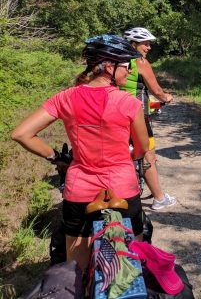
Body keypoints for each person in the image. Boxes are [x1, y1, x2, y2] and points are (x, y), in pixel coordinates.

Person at [11, 35, 149, 270]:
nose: (129, 71)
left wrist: (54, 156)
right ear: (108, 66)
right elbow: (142, 148)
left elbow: (21, 134)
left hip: (80, 190)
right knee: (134, 264)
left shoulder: (66, 97)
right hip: (123, 187)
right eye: (126, 65)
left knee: (76, 271)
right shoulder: (129, 102)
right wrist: (127, 157)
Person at [122, 27, 176, 210]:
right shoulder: (140, 62)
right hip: (137, 114)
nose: (149, 47)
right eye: (145, 44)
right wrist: (166, 97)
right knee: (148, 153)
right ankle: (160, 198)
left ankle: (148, 187)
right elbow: (156, 90)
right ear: (133, 44)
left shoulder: (118, 61)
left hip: (118, 112)